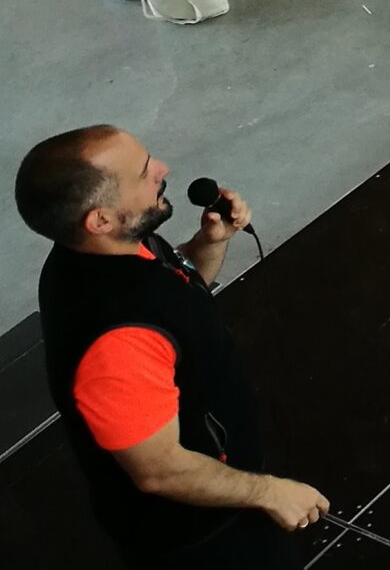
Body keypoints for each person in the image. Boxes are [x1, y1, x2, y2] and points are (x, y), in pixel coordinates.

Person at [18, 128, 328, 563]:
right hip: (200, 536)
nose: (162, 170)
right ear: (100, 220)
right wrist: (269, 492)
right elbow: (160, 470)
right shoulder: (117, 343)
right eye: (144, 173)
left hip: (221, 486)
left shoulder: (110, 247)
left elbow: (173, 294)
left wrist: (209, 244)